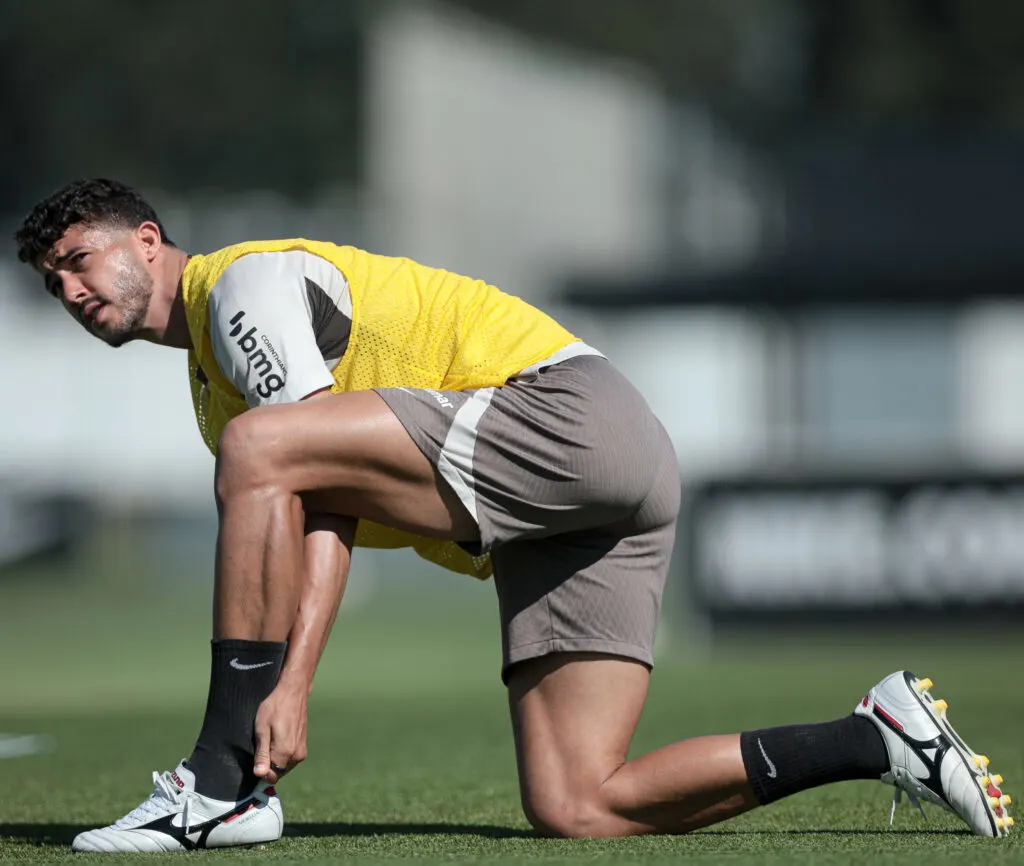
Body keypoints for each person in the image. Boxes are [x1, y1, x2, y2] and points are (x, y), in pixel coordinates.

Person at [13, 179, 1012, 852]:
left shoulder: (241, 287)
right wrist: (295, 680)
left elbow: (296, 463)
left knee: (261, 448)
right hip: (576, 506)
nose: (70, 286)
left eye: (80, 258)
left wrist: (283, 696)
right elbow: (324, 497)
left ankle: (216, 775)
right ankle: (876, 733)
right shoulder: (210, 387)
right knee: (579, 800)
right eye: (52, 280)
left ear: (146, 240)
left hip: (571, 418)